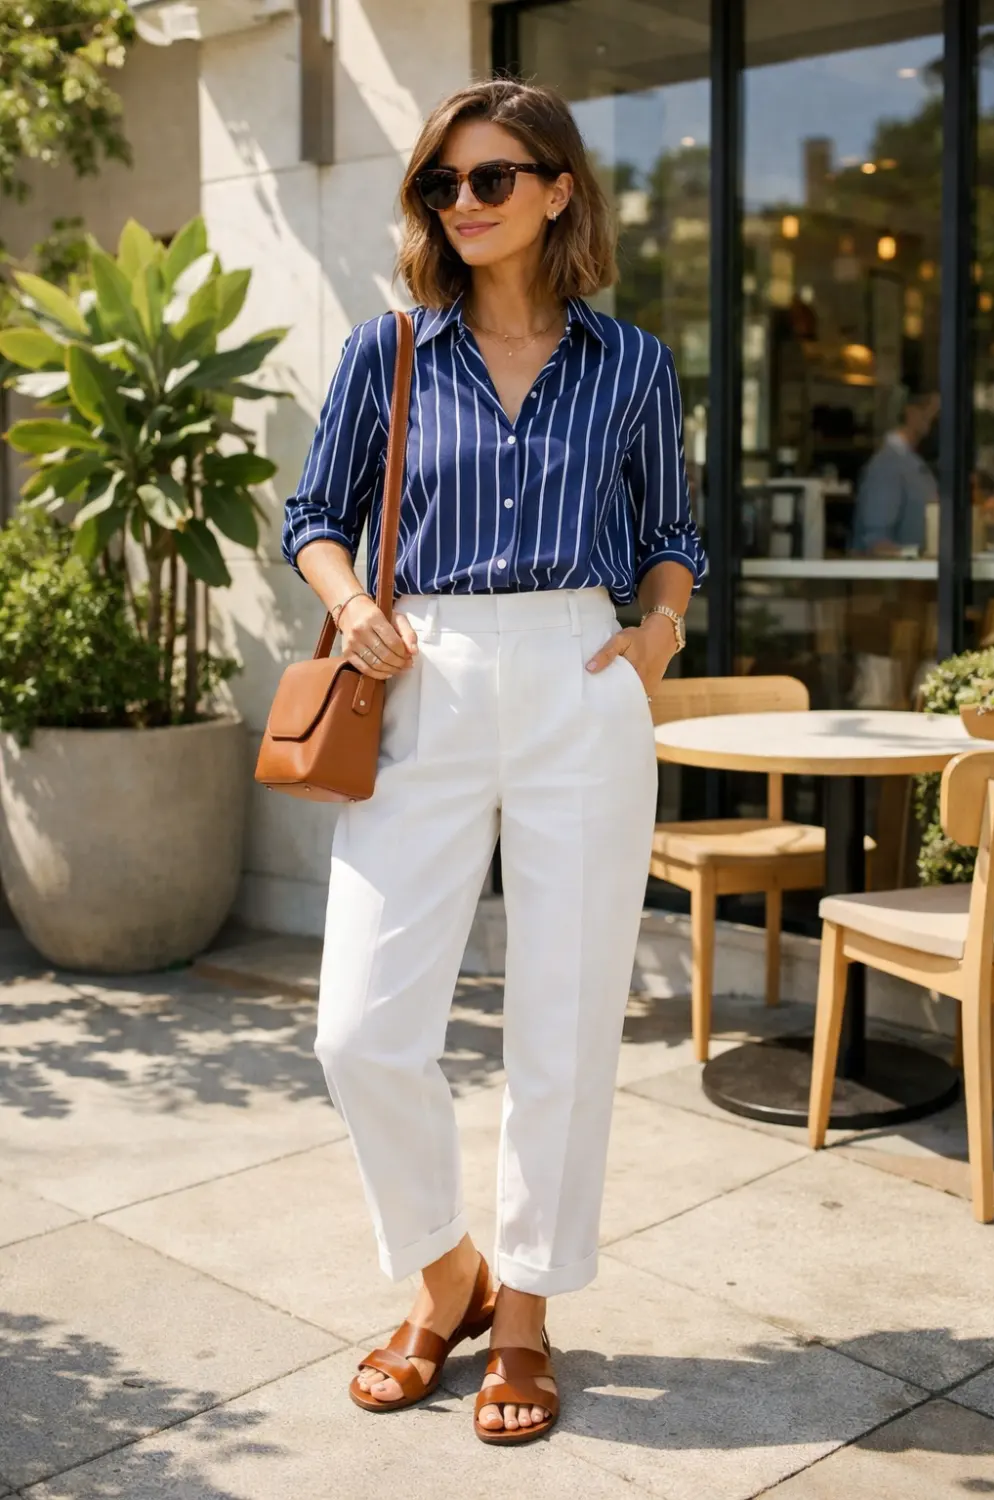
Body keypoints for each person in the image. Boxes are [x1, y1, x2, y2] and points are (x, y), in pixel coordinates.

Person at [281, 79, 706, 1446]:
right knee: (361, 1027)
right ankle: (444, 1270)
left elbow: (676, 529)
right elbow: (315, 514)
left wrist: (655, 633)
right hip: (425, 678)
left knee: (569, 1024)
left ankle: (520, 1308)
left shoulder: (632, 363)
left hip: (583, 678)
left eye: (492, 179)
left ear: (559, 190)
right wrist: (352, 606)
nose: (462, 204)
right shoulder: (390, 350)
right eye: (443, 186)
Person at [851, 388, 940, 556]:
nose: (937, 421)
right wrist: (915, 559)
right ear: (912, 413)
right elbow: (877, 543)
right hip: (898, 579)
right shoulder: (887, 466)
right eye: (934, 413)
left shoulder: (914, 464)